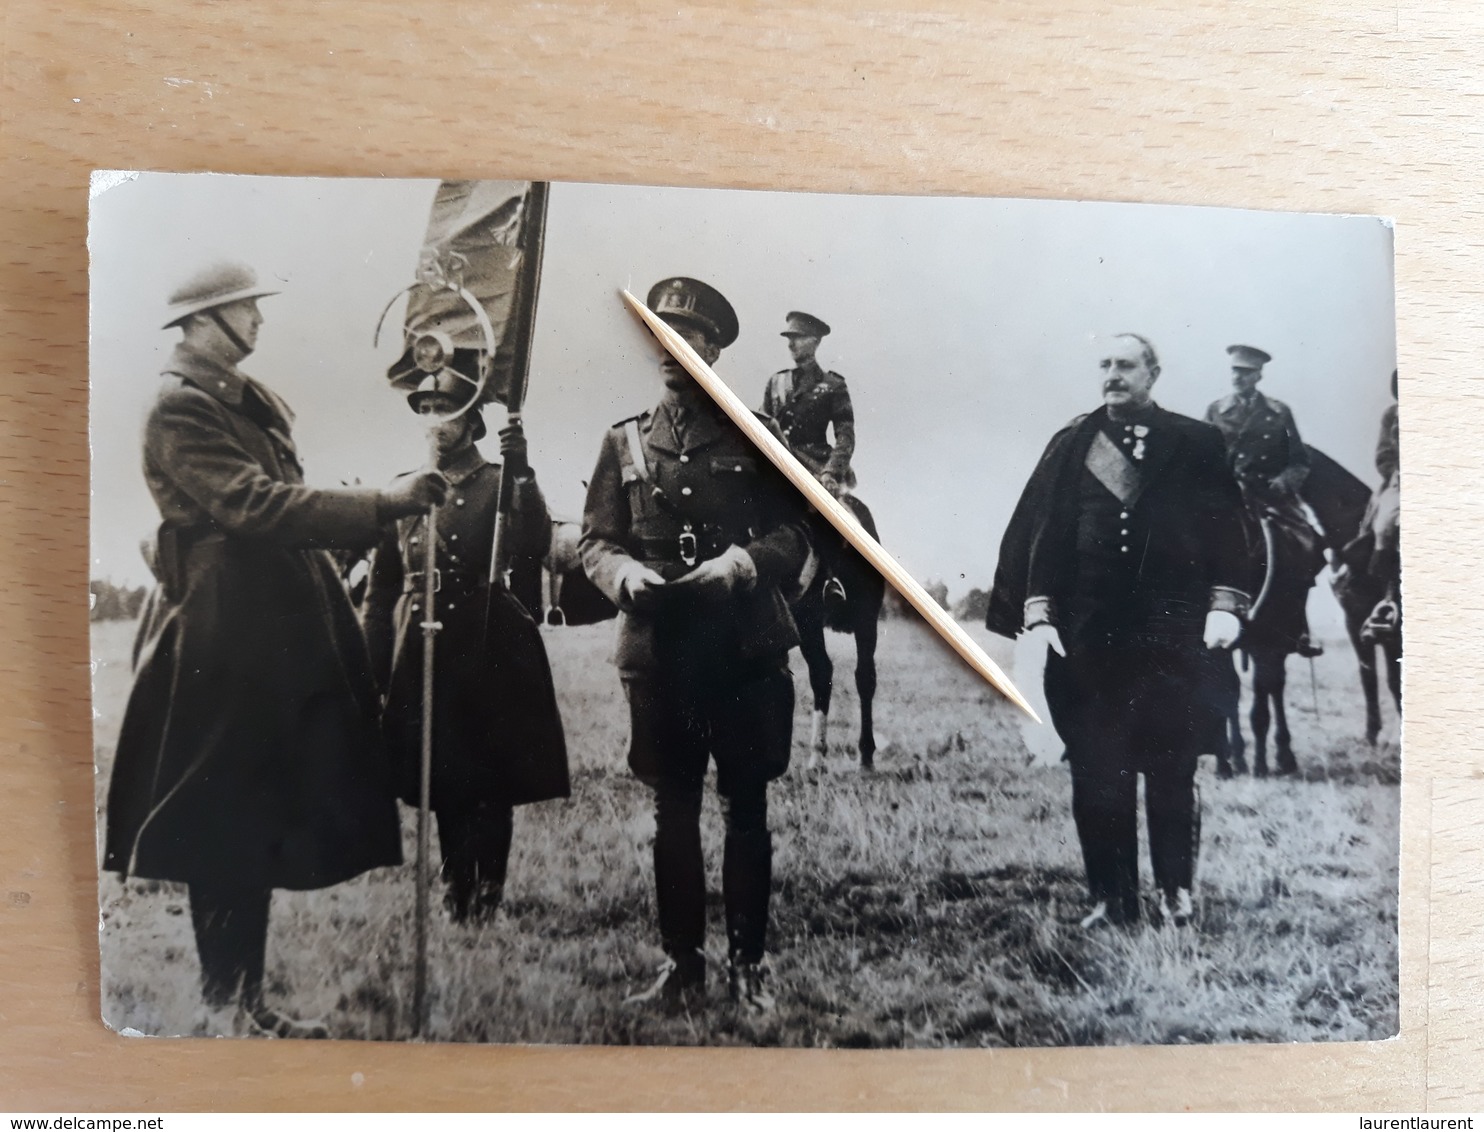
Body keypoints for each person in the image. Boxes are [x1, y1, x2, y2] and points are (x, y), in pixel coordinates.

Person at [103, 262, 449, 1037]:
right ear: (203, 323)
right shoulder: (180, 408)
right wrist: (382, 502)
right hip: (223, 631)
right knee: (223, 817)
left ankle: (246, 1006)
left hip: (266, 625)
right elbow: (252, 504)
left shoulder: (238, 401)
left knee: (252, 812)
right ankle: (223, 1005)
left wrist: (371, 502)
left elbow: (275, 500)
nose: (259, 321)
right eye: (245, 309)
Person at [580, 277, 810, 1013]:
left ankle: (749, 969)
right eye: (662, 336)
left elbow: (795, 534)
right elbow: (596, 540)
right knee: (671, 815)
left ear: (713, 350)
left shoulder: (757, 436)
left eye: (691, 339)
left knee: (747, 810)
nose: (674, 351)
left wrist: (742, 563)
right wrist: (621, 576)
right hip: (660, 656)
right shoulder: (623, 440)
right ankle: (682, 968)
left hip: (743, 651)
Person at [986, 333, 1249, 928]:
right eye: (1104, 364)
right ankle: (1111, 898)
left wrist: (1224, 605)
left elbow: (1227, 531)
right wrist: (1039, 611)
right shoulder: (1074, 442)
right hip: (1091, 636)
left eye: (1125, 365)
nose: (1112, 374)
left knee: (1172, 766)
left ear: (1153, 373)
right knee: (1097, 769)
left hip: (1173, 633)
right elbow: (1046, 532)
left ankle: (1176, 893)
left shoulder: (1197, 442)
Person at [361, 366, 569, 926]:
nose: (435, 422)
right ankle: (455, 887)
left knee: (490, 775)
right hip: (422, 646)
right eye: (426, 410)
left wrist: (523, 477)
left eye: (446, 409)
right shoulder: (406, 490)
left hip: (488, 639)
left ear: (474, 421)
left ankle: (489, 891)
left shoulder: (500, 483)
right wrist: (374, 663)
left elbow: (535, 544)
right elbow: (382, 587)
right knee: (442, 774)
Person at [1204, 344, 1324, 657]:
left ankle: (1299, 624)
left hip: (1271, 499)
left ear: (1258, 375)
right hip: (1229, 498)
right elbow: (1201, 459)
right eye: (1234, 370)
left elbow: (1299, 460)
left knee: (1307, 543)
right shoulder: (1216, 411)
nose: (1237, 377)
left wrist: (1284, 482)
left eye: (1244, 372)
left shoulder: (1278, 412)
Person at [761, 311, 855, 604]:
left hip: (814, 465)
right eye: (789, 338)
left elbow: (845, 435)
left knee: (828, 514)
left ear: (815, 342)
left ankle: (830, 579)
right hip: (777, 461)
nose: (791, 345)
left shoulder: (833, 385)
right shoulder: (775, 382)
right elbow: (761, 425)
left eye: (798, 338)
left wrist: (831, 472)